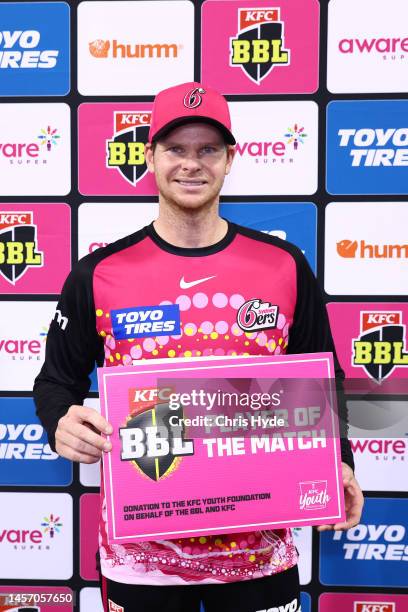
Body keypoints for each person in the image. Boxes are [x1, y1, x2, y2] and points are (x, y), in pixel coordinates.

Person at [34, 82, 364, 612]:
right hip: (141, 558)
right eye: (176, 149)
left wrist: (340, 462)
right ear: (149, 157)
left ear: (231, 159)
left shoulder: (284, 265)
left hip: (262, 553)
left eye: (208, 149)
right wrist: (59, 423)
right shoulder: (98, 273)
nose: (192, 164)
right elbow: (55, 382)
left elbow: (323, 382)